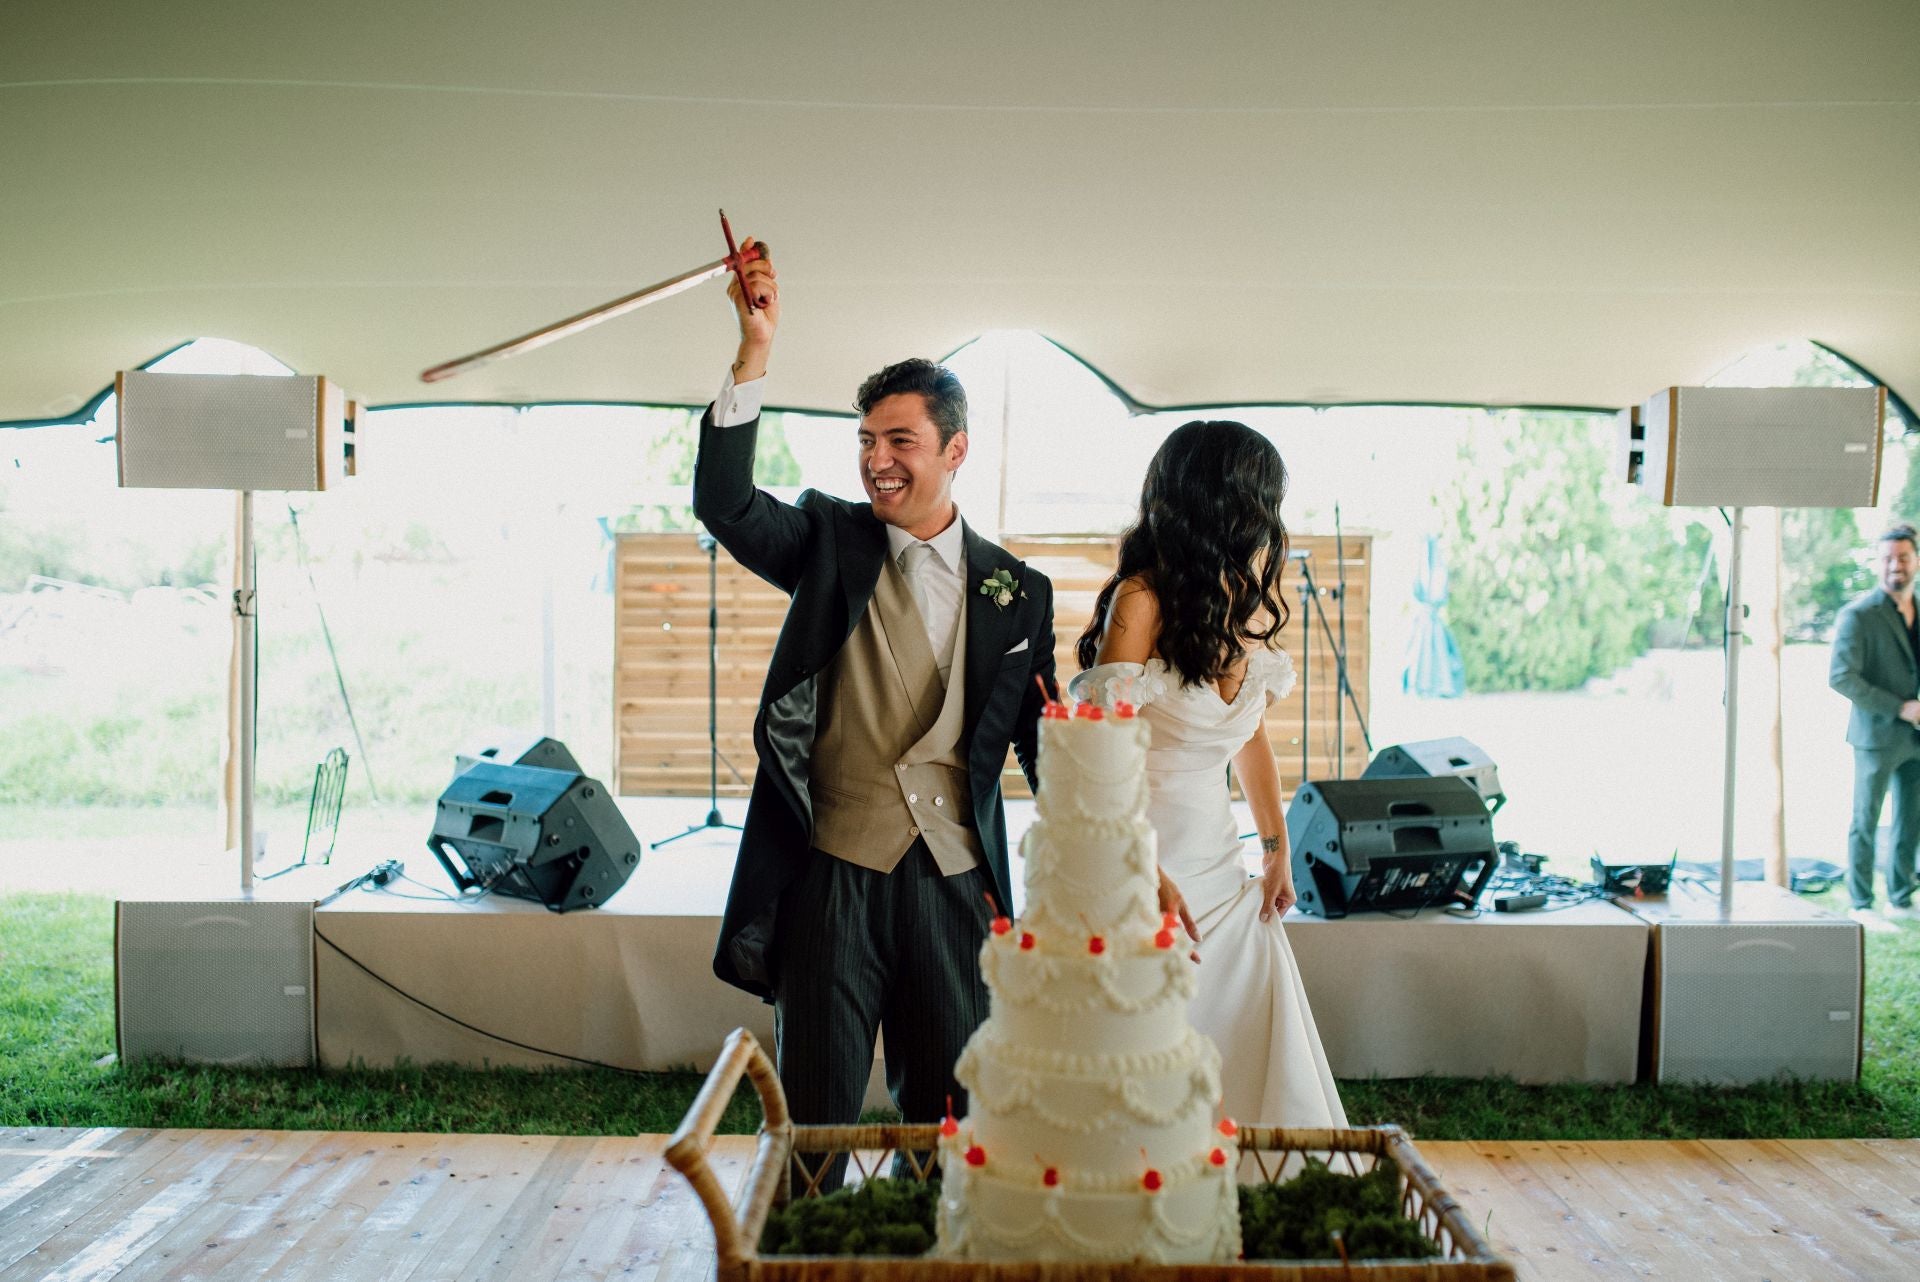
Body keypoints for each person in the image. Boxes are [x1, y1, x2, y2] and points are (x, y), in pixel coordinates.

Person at [691, 238, 1058, 1149]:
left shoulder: (1020, 590)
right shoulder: (828, 541)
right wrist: (754, 354)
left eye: (901, 441)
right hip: (832, 873)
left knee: (949, 1126)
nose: (877, 461)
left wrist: (1109, 855)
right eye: (867, 442)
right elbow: (725, 503)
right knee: (814, 1116)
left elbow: (1038, 745)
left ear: (955, 448)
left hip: (958, 883)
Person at [1070, 421, 1346, 1128]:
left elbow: (1249, 738)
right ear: (1224, 503)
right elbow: (1102, 752)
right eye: (1264, 499)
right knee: (1149, 1061)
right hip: (1142, 863)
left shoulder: (1241, 601)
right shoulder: (1140, 601)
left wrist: (1277, 850)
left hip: (1225, 875)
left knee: (1247, 1051)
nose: (1271, 519)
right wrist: (1143, 870)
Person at [1829, 523, 1920, 931]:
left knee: (1911, 819)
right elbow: (1842, 677)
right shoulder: (1859, 615)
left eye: (1903, 557)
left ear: (1915, 560)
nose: (1895, 566)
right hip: (1876, 735)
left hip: (1915, 736)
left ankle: (1901, 899)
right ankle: (1861, 903)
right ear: (1877, 563)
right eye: (1887, 558)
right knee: (1865, 819)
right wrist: (1901, 708)